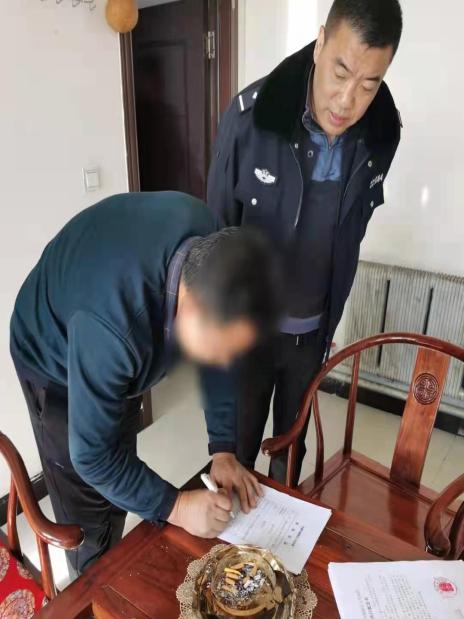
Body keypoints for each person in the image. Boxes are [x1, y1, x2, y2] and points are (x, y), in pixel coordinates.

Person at [10, 191, 281, 577]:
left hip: (99, 315)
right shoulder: (115, 330)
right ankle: (91, 585)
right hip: (50, 359)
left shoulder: (214, 249)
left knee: (119, 469)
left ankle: (115, 538)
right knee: (88, 515)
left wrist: (223, 449)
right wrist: (177, 507)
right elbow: (92, 455)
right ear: (192, 309)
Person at [207, 0, 403, 484]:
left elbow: (349, 232)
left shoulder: (381, 135)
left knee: (291, 451)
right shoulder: (251, 118)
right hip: (249, 330)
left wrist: (329, 318)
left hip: (311, 335)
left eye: (368, 85)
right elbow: (214, 236)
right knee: (239, 451)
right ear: (320, 44)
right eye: (341, 72)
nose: (347, 101)